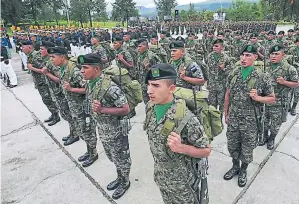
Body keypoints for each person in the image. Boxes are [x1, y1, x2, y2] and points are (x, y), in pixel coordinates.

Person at [144, 63, 211, 204]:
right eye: (149, 85)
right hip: (161, 176)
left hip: (183, 184)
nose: (149, 91)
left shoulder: (186, 118)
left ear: (171, 89)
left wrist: (182, 148)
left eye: (156, 86)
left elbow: (206, 150)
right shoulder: (150, 107)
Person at [78, 53, 132, 199]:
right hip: (103, 128)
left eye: (85, 67)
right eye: (81, 67)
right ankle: (119, 177)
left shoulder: (110, 87)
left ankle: (125, 181)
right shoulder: (91, 83)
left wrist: (103, 110)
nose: (81, 70)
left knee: (121, 157)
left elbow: (126, 108)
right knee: (111, 155)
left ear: (96, 69)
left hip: (116, 130)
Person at [223, 44, 275, 187]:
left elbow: (271, 98)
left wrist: (258, 98)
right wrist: (226, 113)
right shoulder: (234, 73)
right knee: (232, 144)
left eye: (248, 55)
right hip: (234, 117)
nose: (244, 58)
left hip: (251, 120)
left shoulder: (262, 77)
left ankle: (243, 170)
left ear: (255, 57)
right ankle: (235, 166)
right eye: (242, 55)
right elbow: (228, 94)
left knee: (247, 148)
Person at [49, 46, 98, 167]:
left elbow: (88, 88)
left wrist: (71, 89)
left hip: (83, 107)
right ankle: (89, 151)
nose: (51, 59)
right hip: (75, 106)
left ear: (62, 57)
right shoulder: (62, 68)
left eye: (53, 57)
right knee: (82, 130)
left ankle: (93, 153)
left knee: (87, 131)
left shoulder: (74, 71)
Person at [263, 44, 299, 149]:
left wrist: (284, 82)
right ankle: (264, 136)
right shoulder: (266, 65)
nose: (273, 56)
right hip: (265, 100)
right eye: (272, 54)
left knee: (275, 124)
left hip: (279, 102)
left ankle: (271, 138)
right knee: (264, 121)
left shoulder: (289, 68)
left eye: (276, 54)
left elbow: (296, 84)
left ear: (283, 55)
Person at [24, 40, 60, 125]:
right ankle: (53, 114)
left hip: (45, 82)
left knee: (48, 99)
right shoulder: (36, 56)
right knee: (46, 100)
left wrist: (31, 68)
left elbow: (43, 70)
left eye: (42, 49)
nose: (40, 51)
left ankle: (56, 116)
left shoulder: (40, 57)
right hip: (41, 82)